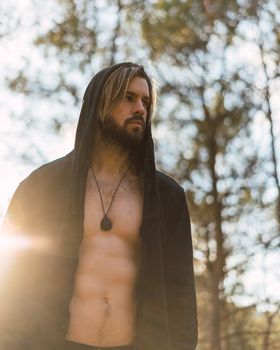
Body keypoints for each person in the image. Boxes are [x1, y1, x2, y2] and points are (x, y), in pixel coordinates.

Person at [0, 62, 198, 350]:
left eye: (145, 101)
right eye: (128, 98)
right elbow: (10, 281)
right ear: (99, 106)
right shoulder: (41, 186)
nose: (140, 109)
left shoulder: (167, 197)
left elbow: (181, 291)